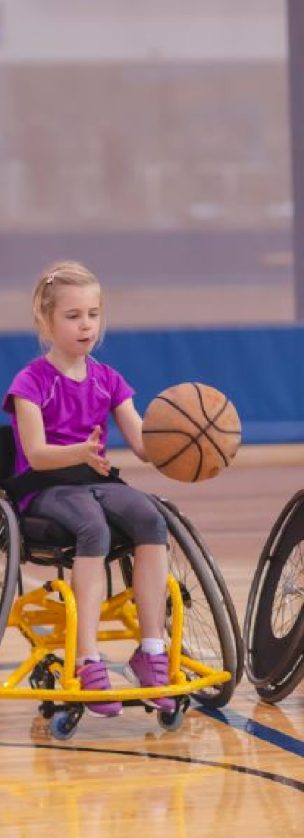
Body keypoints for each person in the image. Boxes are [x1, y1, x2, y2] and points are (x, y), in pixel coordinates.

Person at [2, 260, 175, 717]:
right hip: (44, 486)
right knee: (93, 528)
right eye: (73, 315)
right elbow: (36, 453)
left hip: (92, 480)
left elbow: (141, 444)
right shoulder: (30, 382)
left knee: (150, 519)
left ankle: (152, 649)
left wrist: (183, 445)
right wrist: (79, 452)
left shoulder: (108, 379)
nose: (86, 325)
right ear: (46, 320)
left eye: (93, 314)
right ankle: (86, 657)